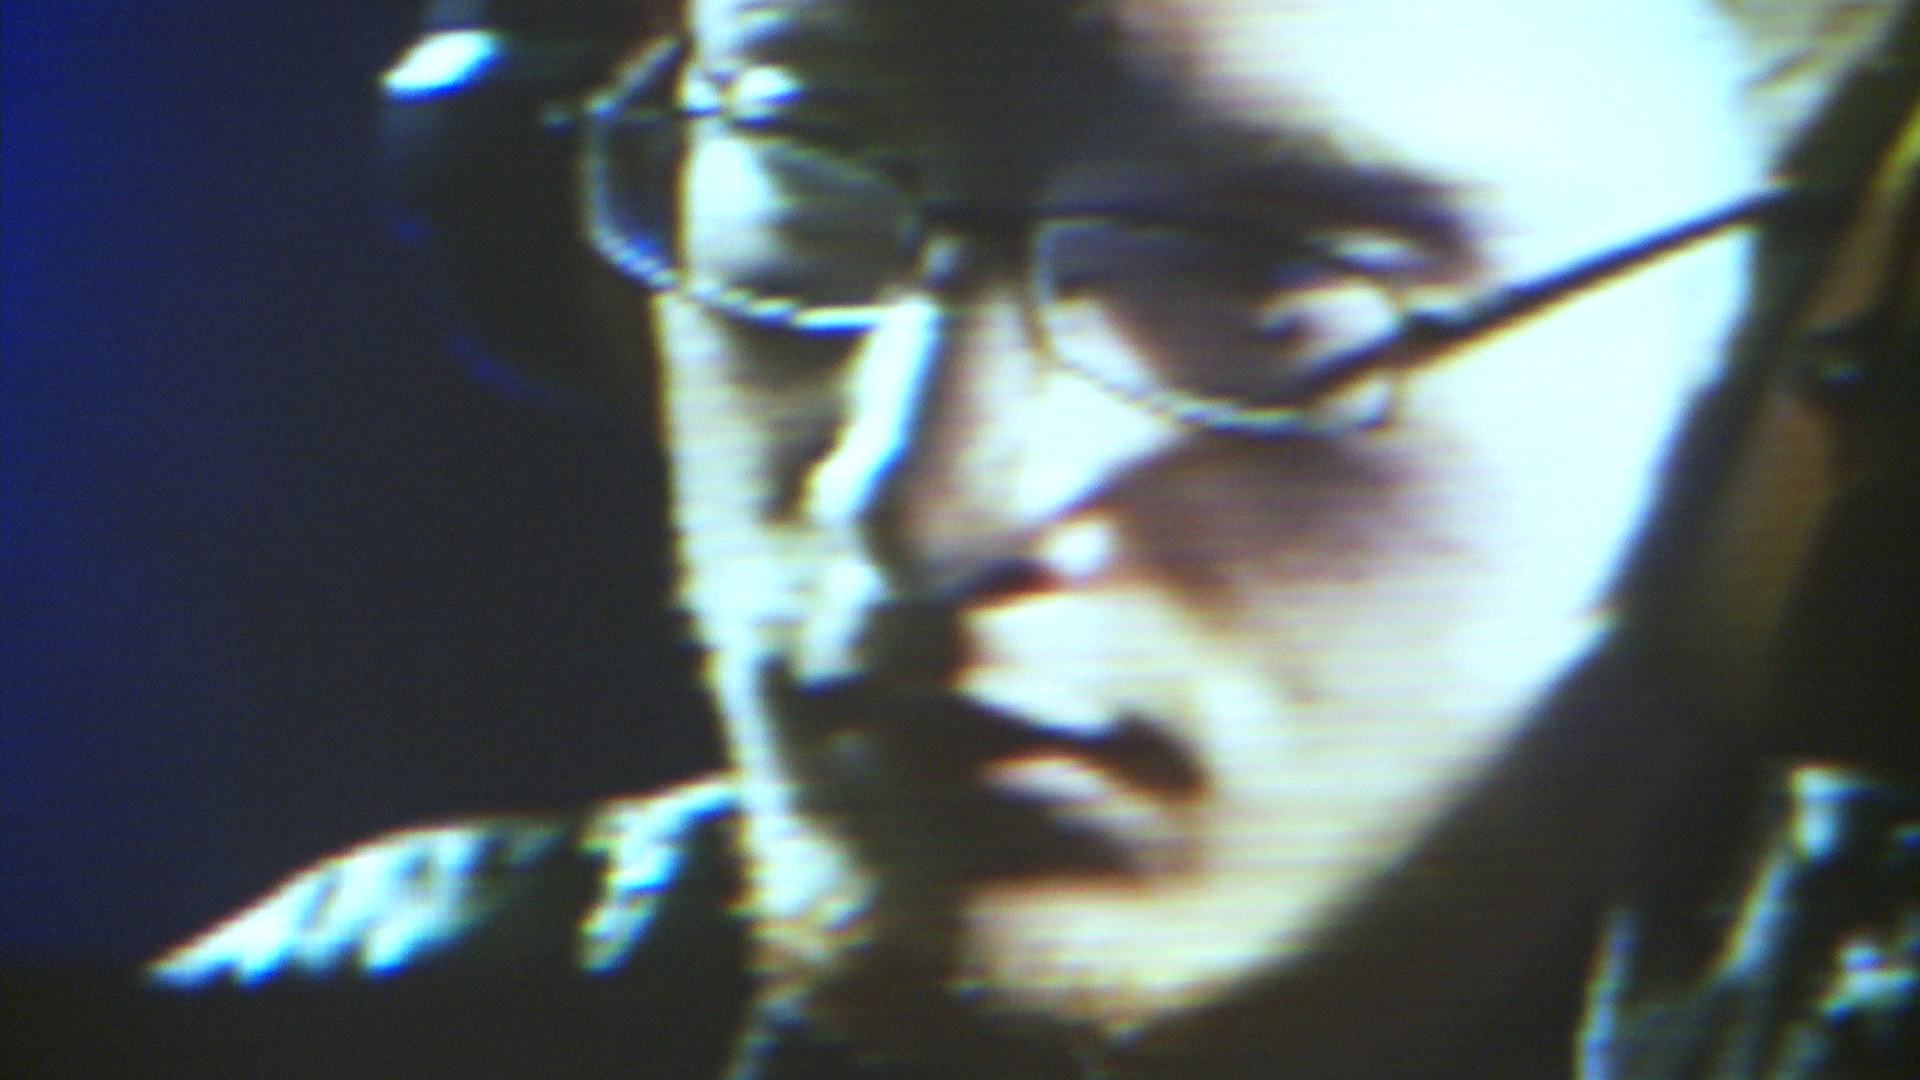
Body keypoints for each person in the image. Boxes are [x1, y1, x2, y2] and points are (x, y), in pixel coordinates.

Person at [139, 1, 1916, 1077]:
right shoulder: (378, 1025)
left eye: (1276, 270)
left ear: (1811, 381)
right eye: (804, 163)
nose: (911, 508)